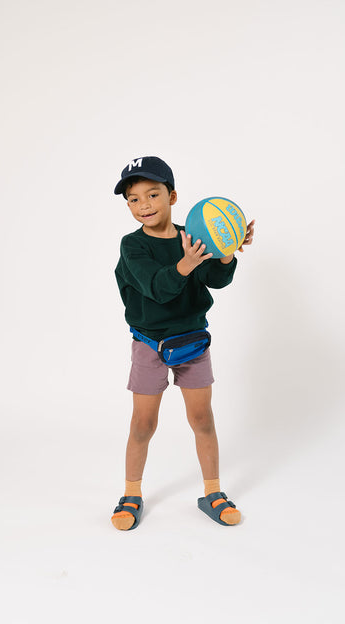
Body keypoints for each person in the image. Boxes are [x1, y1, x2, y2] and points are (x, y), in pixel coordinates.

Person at [111, 156, 255, 530]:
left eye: (153, 194)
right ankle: (131, 494)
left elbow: (217, 280)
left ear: (172, 196)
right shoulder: (132, 246)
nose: (144, 205)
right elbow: (157, 288)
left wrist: (226, 249)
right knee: (143, 423)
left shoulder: (192, 235)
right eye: (134, 199)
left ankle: (213, 492)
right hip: (150, 346)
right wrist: (186, 263)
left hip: (193, 343)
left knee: (202, 418)